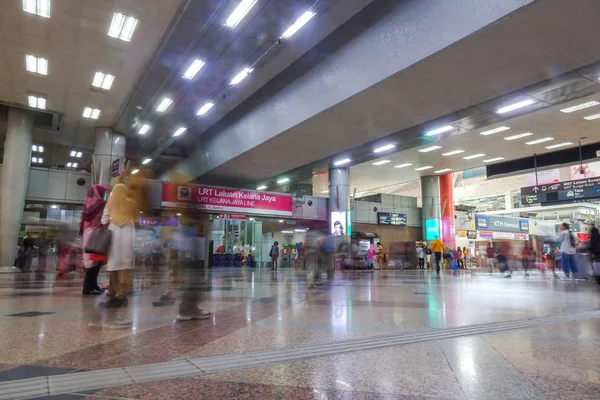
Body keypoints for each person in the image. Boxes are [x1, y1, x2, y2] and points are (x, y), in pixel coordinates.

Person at [101, 184, 137, 307]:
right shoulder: (131, 203)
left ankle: (113, 290)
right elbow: (136, 216)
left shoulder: (110, 203)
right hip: (128, 232)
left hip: (114, 233)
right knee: (125, 264)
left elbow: (103, 220)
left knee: (114, 263)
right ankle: (121, 293)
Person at [80, 184, 108, 295]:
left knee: (96, 261)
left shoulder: (89, 202)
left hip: (91, 233)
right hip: (93, 234)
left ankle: (93, 285)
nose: (105, 195)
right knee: (92, 262)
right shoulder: (99, 204)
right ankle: (87, 288)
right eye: (104, 192)